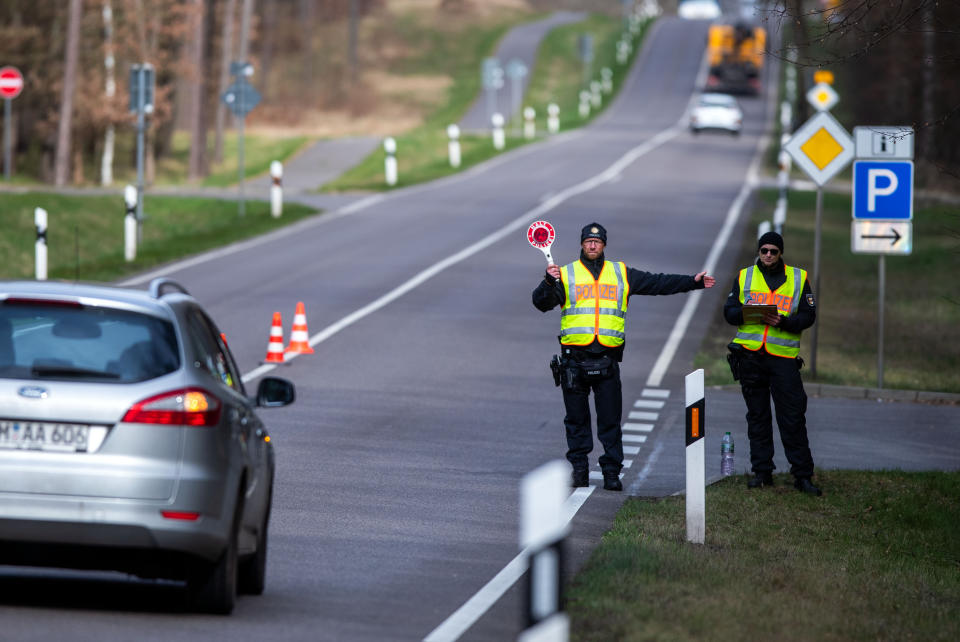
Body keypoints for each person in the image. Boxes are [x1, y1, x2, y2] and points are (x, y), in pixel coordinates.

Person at [532, 222, 715, 491]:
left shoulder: (620, 273)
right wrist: (548, 281)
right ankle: (580, 470)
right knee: (576, 421)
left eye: (597, 241)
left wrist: (693, 282)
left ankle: (611, 472)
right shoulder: (566, 274)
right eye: (588, 241)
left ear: (604, 244)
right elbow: (540, 303)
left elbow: (657, 282)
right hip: (574, 361)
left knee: (610, 421)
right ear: (582, 244)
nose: (592, 245)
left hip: (607, 360)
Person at [723, 231, 821, 496]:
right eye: (763, 250)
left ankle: (802, 475)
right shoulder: (745, 277)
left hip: (783, 360)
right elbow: (729, 313)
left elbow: (809, 315)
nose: (767, 255)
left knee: (792, 418)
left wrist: (785, 322)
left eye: (773, 251)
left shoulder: (798, 278)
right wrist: (749, 314)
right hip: (751, 357)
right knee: (758, 418)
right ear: (759, 251)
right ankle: (762, 472)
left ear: (781, 253)